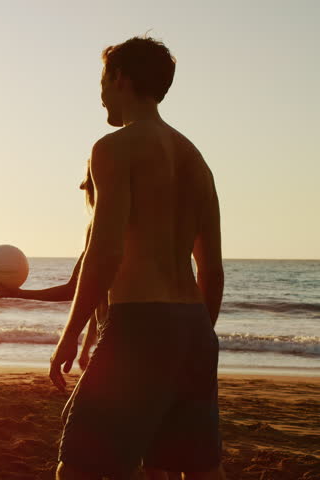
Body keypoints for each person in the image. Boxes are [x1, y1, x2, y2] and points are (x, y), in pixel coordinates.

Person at [49, 37, 225, 479]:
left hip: (140, 325)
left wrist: (70, 334)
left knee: (79, 467)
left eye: (103, 81)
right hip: (196, 330)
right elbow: (212, 270)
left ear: (122, 79)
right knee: (197, 467)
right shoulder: (197, 160)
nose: (101, 93)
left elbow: (104, 250)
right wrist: (194, 339)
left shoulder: (114, 148)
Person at [0, 167, 103, 371]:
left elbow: (75, 289)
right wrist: (87, 347)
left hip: (122, 334)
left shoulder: (99, 227)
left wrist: (18, 293)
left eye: (88, 188)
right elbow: (101, 295)